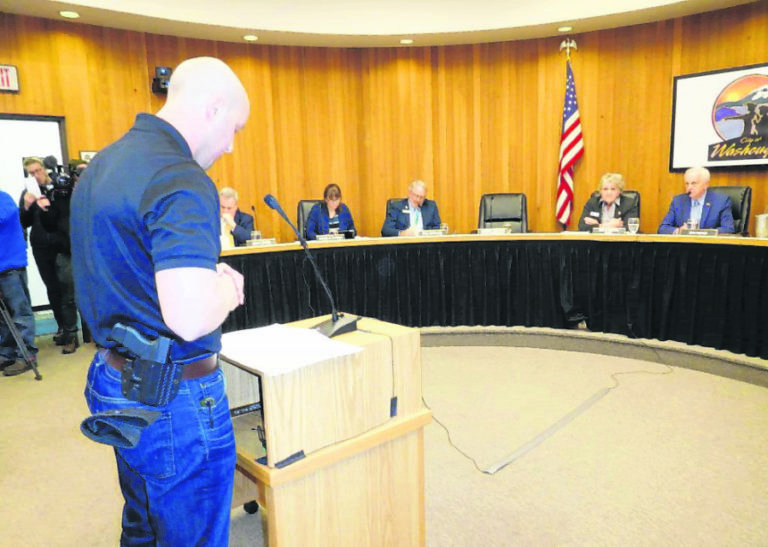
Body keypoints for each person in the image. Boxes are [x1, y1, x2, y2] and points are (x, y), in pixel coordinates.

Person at [70, 56, 249, 546]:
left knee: (144, 521)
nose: (231, 144)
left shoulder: (103, 164)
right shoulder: (182, 176)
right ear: (213, 107)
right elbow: (190, 317)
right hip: (174, 399)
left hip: (113, 377)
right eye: (234, 127)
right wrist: (226, 288)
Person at [19, 156, 79, 353]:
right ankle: (62, 327)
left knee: (66, 289)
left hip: (61, 244)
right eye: (31, 173)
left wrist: (47, 203)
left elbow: (65, 215)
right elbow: (24, 222)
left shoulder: (60, 188)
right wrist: (26, 206)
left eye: (38, 171)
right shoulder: (27, 193)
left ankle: (71, 332)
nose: (35, 176)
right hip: (41, 245)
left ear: (44, 169)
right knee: (52, 288)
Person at [0, 189, 38, 377]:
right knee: (1, 318)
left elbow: (2, 217)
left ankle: (26, 355)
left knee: (20, 313)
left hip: (10, 266)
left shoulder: (3, 198)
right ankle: (6, 354)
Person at [658, 166, 734, 234]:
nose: (689, 187)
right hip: (683, 246)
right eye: (687, 184)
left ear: (706, 184)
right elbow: (663, 228)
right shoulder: (678, 201)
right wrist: (679, 231)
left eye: (694, 183)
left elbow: (728, 229)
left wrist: (701, 233)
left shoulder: (721, 201)